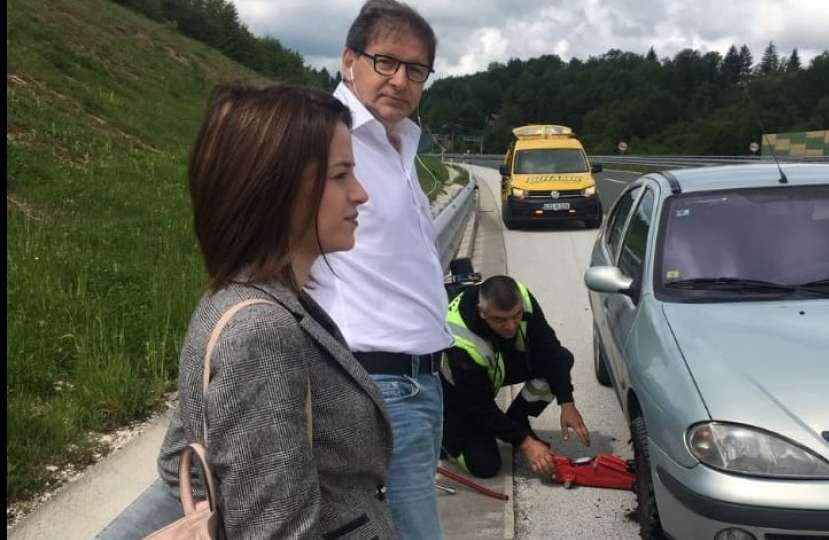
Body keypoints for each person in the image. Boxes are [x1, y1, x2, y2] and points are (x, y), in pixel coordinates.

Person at [156, 84, 398, 539]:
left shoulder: (239, 298)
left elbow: (178, 459)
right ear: (280, 188)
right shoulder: (260, 330)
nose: (361, 194)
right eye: (341, 174)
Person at [306, 1, 450, 537]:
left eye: (416, 70)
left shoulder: (400, 142)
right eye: (385, 61)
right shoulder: (325, 138)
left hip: (421, 379)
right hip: (379, 380)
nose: (400, 79)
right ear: (349, 61)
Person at [440, 275, 591, 479]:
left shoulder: (523, 299)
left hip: (495, 369)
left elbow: (551, 351)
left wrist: (567, 402)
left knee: (561, 360)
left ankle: (517, 418)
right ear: (482, 312)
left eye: (516, 315)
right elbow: (481, 407)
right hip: (460, 397)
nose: (510, 326)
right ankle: (443, 440)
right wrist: (526, 444)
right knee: (485, 466)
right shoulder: (459, 340)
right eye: (500, 320)